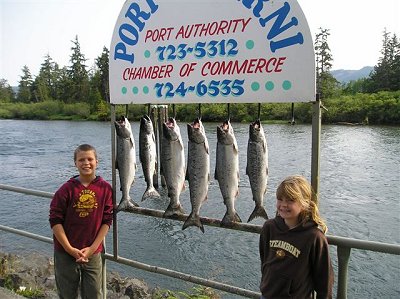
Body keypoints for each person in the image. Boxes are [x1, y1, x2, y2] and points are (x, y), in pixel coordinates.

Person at [49, 144, 113, 299]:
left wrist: (92, 248)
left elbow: (107, 220)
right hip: (65, 252)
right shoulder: (66, 189)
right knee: (67, 293)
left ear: (97, 162)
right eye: (81, 160)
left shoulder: (105, 189)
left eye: (90, 159)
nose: (86, 163)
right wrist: (69, 248)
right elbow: (55, 220)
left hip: (93, 252)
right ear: (75, 163)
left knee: (93, 293)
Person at [259, 175, 334, 299]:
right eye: (280, 199)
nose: (283, 204)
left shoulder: (314, 237)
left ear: (304, 204)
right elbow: (265, 260)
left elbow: (324, 280)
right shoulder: (269, 227)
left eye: (290, 200)